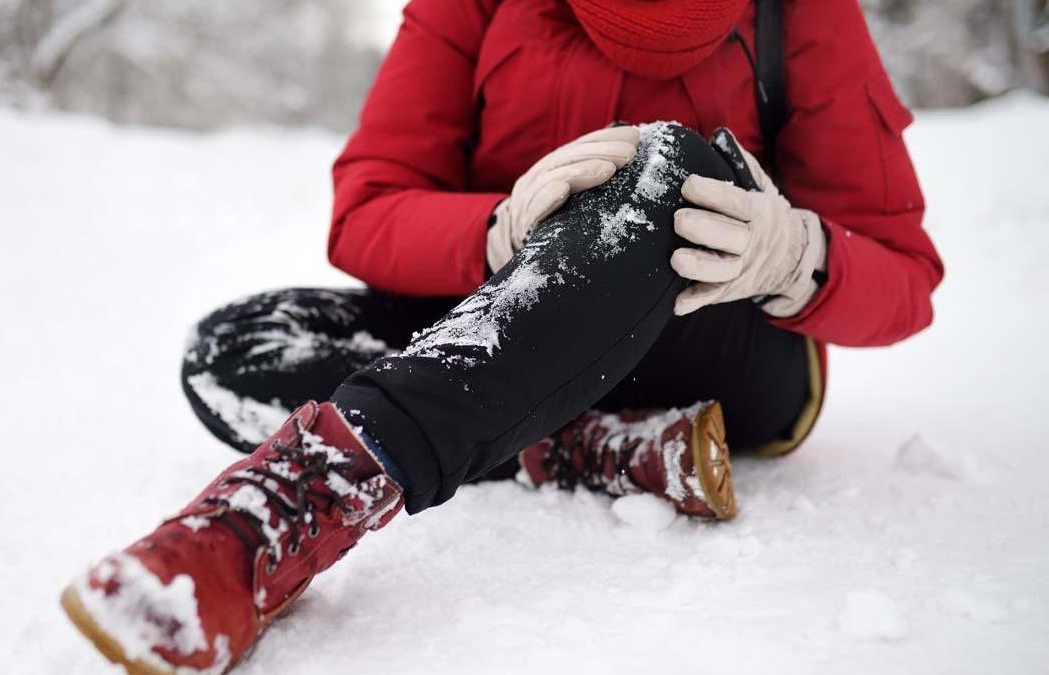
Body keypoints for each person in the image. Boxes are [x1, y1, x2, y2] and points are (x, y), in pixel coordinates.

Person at [61, 1, 943, 673]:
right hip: (500, 312)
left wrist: (797, 254)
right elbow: (368, 204)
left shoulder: (800, 11)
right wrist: (497, 228)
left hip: (716, 351)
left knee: (668, 170)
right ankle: (572, 445)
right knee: (239, 349)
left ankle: (297, 501)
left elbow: (905, 272)